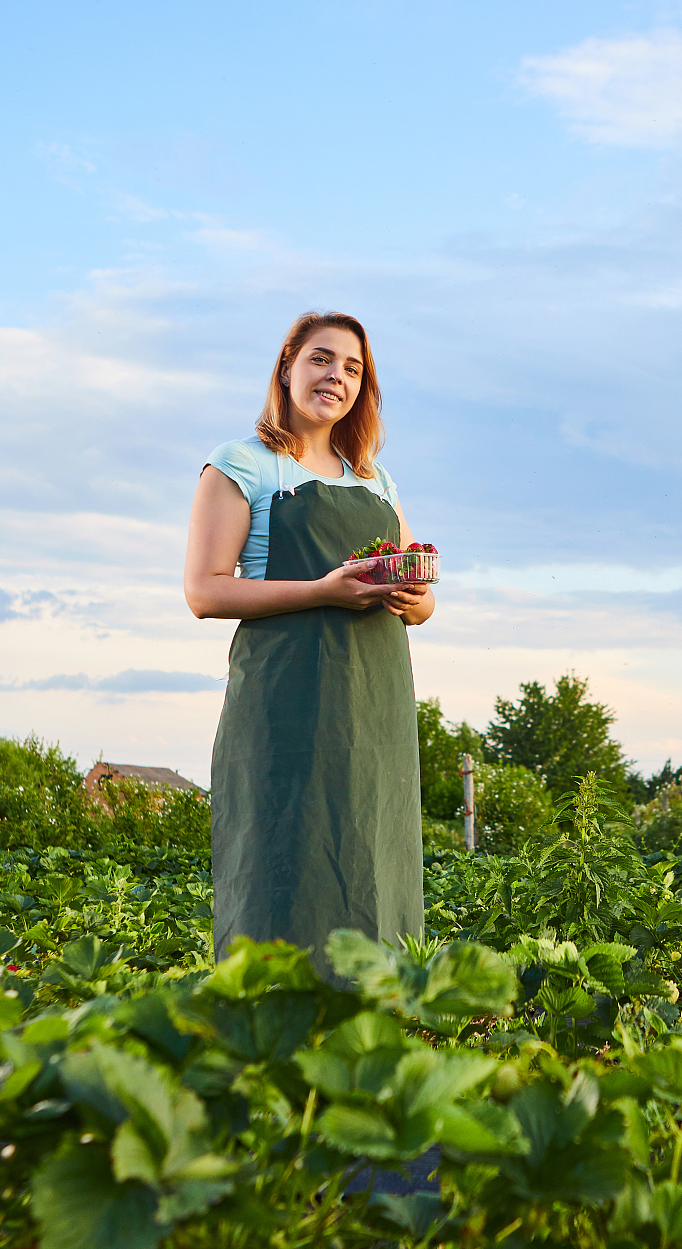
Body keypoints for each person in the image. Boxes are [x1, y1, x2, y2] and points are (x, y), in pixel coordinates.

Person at [183, 312, 434, 976]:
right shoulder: (242, 463)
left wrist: (414, 596)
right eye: (322, 360)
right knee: (283, 870)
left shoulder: (377, 480)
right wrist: (322, 591)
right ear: (288, 365)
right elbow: (205, 591)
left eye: (353, 369)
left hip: (376, 711)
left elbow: (422, 597)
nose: (336, 377)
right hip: (286, 704)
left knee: (376, 864)